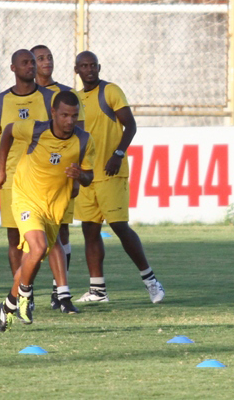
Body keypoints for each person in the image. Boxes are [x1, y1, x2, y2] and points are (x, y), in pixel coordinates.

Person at [0, 90, 94, 332]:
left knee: (32, 260)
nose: (69, 121)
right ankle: (25, 297)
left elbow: (89, 176)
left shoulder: (84, 140)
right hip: (26, 198)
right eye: (64, 115)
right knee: (37, 249)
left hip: (54, 209)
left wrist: (80, 176)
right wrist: (0, 166)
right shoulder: (35, 129)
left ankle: (7, 305)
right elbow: (7, 130)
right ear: (53, 113)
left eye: (73, 116)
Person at [73, 51, 165, 304]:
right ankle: (98, 291)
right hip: (87, 176)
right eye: (84, 66)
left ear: (99, 67)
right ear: (76, 70)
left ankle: (151, 282)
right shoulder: (75, 99)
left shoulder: (110, 91)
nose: (89, 69)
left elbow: (130, 125)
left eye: (93, 65)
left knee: (119, 227)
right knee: (89, 231)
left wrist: (118, 153)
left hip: (111, 172)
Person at [31, 44, 75, 312]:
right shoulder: (26, 95)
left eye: (49, 57)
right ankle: (27, 291)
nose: (46, 62)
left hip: (61, 174)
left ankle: (59, 291)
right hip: (33, 176)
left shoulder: (64, 94)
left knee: (61, 229)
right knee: (30, 236)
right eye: (40, 59)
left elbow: (77, 134)